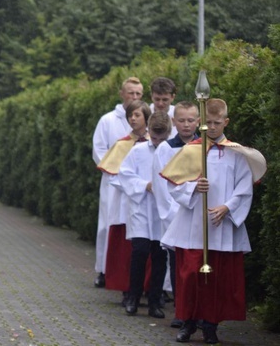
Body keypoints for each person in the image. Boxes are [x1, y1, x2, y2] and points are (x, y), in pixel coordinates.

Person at [161, 98, 265, 344]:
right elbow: (173, 185)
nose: (213, 128)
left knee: (216, 280)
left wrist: (228, 207)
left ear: (226, 122)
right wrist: (194, 188)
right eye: (208, 123)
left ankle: (210, 325)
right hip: (193, 227)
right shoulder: (191, 150)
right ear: (201, 122)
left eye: (217, 123)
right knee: (190, 276)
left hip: (221, 226)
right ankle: (187, 323)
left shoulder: (237, 153)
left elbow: (244, 187)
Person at [113, 110, 171, 319]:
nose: (157, 142)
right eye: (154, 138)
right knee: (139, 251)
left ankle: (155, 301)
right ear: (148, 132)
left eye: (161, 138)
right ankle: (133, 297)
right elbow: (125, 174)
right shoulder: (138, 151)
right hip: (141, 208)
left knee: (159, 255)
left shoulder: (171, 152)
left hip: (161, 211)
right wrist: (144, 185)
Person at [92, 77, 143, 288]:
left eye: (138, 94)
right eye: (130, 93)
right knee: (107, 224)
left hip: (137, 184)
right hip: (113, 181)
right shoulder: (108, 120)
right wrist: (116, 172)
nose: (134, 97)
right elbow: (99, 150)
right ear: (122, 93)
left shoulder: (144, 118)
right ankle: (103, 269)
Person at [152, 101, 199, 328]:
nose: (186, 124)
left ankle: (198, 311)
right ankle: (180, 311)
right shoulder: (165, 149)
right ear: (174, 121)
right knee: (177, 264)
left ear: (198, 121)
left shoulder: (205, 147)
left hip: (200, 217)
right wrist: (173, 216)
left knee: (198, 266)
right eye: (181, 120)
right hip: (175, 217)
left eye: (191, 120)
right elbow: (162, 189)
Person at [98, 99, 150, 297]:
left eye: (137, 115)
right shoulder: (121, 145)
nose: (133, 119)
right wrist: (132, 185)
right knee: (125, 249)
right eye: (131, 115)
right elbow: (112, 174)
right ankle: (126, 288)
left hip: (147, 200)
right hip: (124, 201)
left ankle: (148, 288)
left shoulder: (154, 143)